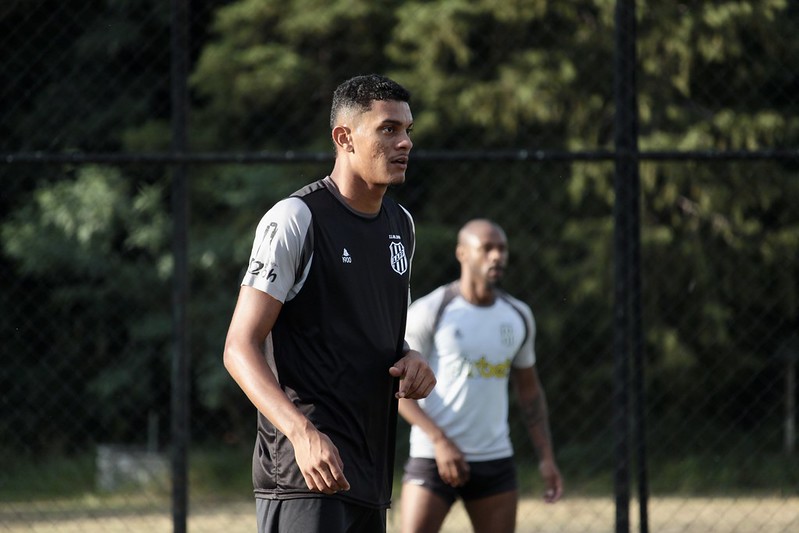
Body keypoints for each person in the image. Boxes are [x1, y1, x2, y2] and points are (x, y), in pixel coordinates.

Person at [223, 74, 436, 533]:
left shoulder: (402, 225)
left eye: (407, 131)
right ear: (344, 138)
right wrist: (301, 434)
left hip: (369, 475)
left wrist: (411, 358)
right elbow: (239, 347)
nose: (404, 143)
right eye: (387, 129)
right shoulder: (296, 218)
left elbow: (376, 334)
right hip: (305, 474)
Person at [398, 219, 563, 533]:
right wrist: (439, 441)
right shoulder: (431, 310)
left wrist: (546, 458)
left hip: (494, 459)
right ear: (462, 253)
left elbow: (529, 392)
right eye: (487, 248)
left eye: (502, 249)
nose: (497, 256)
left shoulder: (518, 316)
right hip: (433, 457)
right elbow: (398, 392)